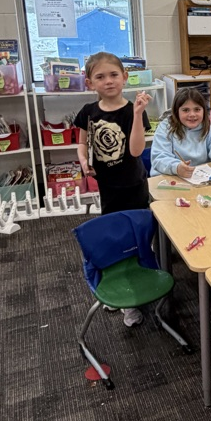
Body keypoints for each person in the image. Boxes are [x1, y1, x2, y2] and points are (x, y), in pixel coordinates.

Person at [76, 52, 151, 327]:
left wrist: (138, 114)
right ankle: (119, 290)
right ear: (89, 82)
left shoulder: (133, 109)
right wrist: (83, 161)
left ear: (125, 77)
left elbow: (135, 150)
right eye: (100, 77)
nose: (108, 81)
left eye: (113, 75)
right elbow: (82, 143)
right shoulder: (88, 112)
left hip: (133, 186)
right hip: (107, 188)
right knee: (113, 240)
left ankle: (135, 297)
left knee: (136, 239)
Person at [150, 87, 211, 178]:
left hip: (199, 178)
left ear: (204, 111)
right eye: (185, 110)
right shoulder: (166, 127)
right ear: (177, 112)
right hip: (170, 178)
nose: (192, 114)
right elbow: (159, 159)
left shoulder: (210, 127)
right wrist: (176, 167)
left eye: (197, 109)